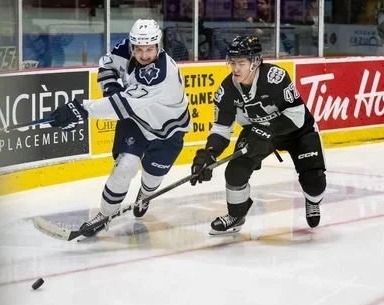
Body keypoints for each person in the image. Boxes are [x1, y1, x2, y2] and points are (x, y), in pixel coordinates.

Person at [49, 19, 190, 237]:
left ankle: (145, 194)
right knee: (124, 167)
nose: (144, 55)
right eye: (139, 49)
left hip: (168, 129)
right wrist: (111, 87)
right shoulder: (125, 49)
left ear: (158, 46)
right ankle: (103, 216)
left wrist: (81, 109)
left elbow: (122, 105)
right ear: (132, 45)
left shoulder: (161, 73)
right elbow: (107, 63)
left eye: (150, 49)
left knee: (153, 176)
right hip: (136, 121)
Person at [190, 36, 326, 235]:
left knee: (314, 183)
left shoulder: (275, 78)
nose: (235, 68)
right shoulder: (226, 90)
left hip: (297, 131)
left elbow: (296, 116)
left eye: (241, 63)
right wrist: (209, 154)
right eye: (233, 62)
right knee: (236, 171)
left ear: (255, 63)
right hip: (258, 132)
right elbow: (221, 128)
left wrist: (267, 129)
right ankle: (236, 216)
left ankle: (312, 199)